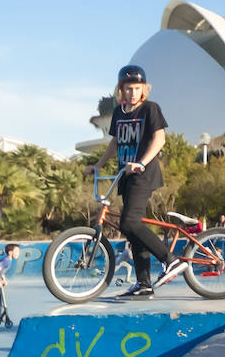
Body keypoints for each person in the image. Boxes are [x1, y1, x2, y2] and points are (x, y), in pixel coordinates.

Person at [84, 65, 187, 298]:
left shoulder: (150, 109)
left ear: (144, 89)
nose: (132, 93)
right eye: (128, 89)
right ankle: (143, 283)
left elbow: (160, 139)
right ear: (121, 90)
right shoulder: (120, 112)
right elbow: (115, 143)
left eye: (137, 88)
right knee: (132, 230)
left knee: (130, 223)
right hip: (125, 175)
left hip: (143, 173)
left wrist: (141, 162)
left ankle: (171, 260)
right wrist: (98, 166)